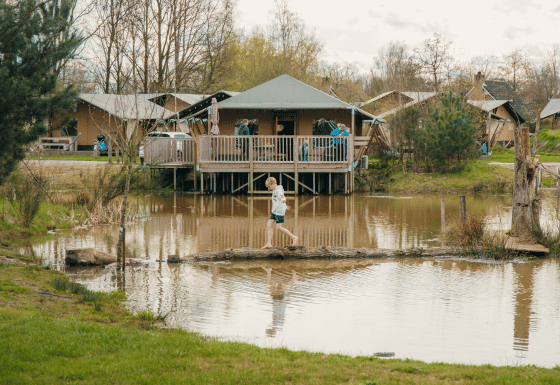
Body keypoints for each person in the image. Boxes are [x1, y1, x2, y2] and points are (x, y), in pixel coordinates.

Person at [262, 177, 298, 248]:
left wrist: (284, 200)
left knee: (278, 227)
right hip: (275, 211)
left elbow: (282, 196)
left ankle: (294, 237)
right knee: (269, 225)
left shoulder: (278, 190)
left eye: (269, 187)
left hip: (279, 212)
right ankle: (269, 243)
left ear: (273, 184)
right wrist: (285, 205)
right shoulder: (276, 189)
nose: (268, 188)